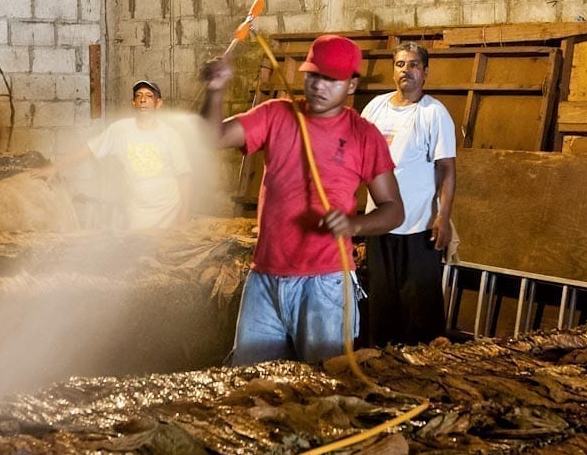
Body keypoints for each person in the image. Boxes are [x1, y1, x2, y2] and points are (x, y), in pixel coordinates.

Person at [201, 35, 404, 364]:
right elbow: (213, 138)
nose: (319, 86)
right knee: (249, 384)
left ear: (351, 85)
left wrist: (354, 224)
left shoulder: (364, 135)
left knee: (321, 386)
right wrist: (216, 89)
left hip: (325, 283)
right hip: (265, 278)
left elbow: (394, 211)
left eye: (331, 79)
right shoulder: (276, 115)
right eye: (313, 75)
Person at [360, 41, 457, 346]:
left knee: (419, 309)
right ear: (394, 71)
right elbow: (354, 157)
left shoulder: (433, 113)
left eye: (414, 64)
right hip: (379, 223)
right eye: (401, 64)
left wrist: (443, 215)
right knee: (381, 304)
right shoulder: (375, 107)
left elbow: (447, 169)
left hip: (418, 227)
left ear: (425, 73)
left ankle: (425, 374)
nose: (407, 70)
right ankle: (383, 370)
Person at [38, 79, 191, 231]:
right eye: (138, 96)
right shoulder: (120, 130)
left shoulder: (171, 136)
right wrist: (56, 167)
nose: (143, 100)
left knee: (168, 252)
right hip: (138, 212)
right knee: (141, 251)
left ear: (158, 103)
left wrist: (183, 215)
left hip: (168, 211)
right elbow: (89, 149)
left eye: (149, 96)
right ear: (133, 103)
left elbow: (184, 176)